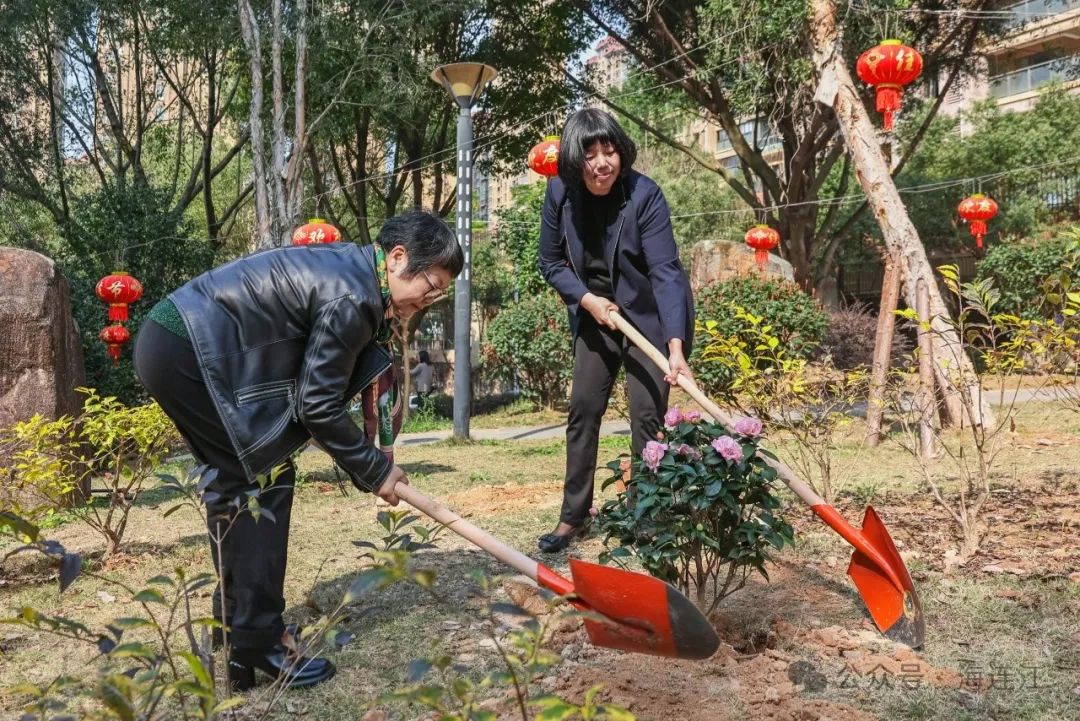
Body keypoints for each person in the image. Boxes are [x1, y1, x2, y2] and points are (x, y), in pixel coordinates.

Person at [134, 210, 461, 690]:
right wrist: (376, 470)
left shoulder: (353, 275)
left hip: (172, 341)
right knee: (264, 480)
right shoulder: (352, 296)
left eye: (439, 293)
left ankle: (237, 631)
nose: (428, 301)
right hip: (187, 349)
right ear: (397, 259)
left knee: (239, 482)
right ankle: (258, 640)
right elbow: (317, 405)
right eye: (430, 286)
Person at [537, 108, 695, 554]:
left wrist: (675, 347)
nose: (603, 163)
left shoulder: (644, 195)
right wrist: (587, 300)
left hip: (648, 317)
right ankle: (573, 518)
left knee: (647, 416)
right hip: (594, 313)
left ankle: (648, 514)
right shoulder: (559, 194)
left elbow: (665, 272)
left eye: (610, 151)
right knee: (583, 410)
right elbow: (550, 262)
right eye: (591, 154)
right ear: (574, 158)